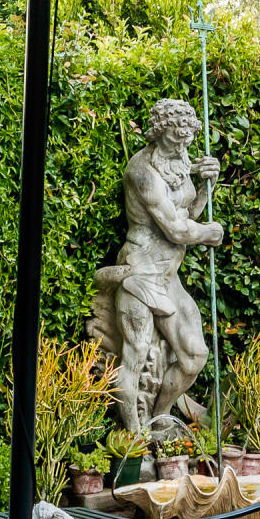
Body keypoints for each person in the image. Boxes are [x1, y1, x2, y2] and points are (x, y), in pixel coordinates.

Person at [91, 96, 222, 436]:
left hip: (169, 277)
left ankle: (160, 416)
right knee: (132, 359)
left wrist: (206, 189)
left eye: (189, 135)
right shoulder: (141, 170)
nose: (185, 142)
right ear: (161, 131)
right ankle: (135, 436)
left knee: (195, 355)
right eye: (177, 135)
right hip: (141, 273)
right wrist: (209, 233)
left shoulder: (180, 160)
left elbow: (188, 215)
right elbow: (175, 229)